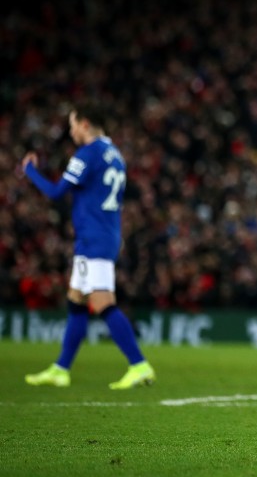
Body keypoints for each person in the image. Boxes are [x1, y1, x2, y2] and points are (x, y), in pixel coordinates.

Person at [21, 102, 156, 389]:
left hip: (94, 238)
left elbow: (57, 192)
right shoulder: (115, 154)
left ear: (84, 124)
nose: (70, 132)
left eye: (72, 125)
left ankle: (138, 364)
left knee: (103, 303)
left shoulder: (88, 153)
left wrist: (30, 171)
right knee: (76, 301)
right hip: (100, 235)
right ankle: (61, 369)